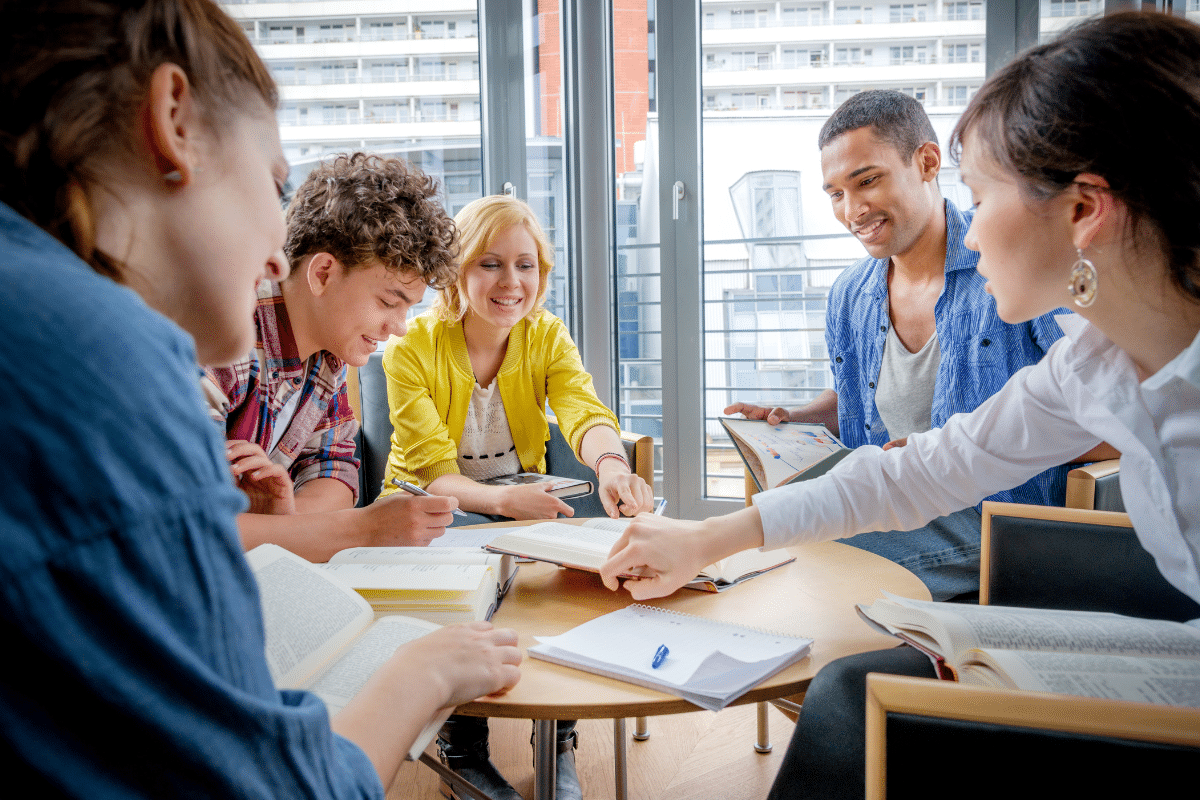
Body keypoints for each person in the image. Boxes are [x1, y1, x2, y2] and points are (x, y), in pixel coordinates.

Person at [602, 10, 1200, 800]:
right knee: (854, 690)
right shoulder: (1091, 368)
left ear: (1085, 209)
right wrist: (708, 537)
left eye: (982, 196)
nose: (973, 230)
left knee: (857, 697)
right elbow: (920, 471)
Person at [0, 1, 520, 796]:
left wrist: (278, 520)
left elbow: (337, 466)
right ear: (175, 119)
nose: (275, 255)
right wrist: (421, 675)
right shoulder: (116, 355)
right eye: (274, 182)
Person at [725, 89, 1112, 601]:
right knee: (786, 524)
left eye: (867, 181)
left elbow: (1104, 414)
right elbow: (864, 400)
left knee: (805, 558)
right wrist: (801, 417)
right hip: (896, 496)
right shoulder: (849, 294)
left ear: (927, 163)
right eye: (835, 193)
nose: (852, 210)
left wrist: (950, 450)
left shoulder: (1013, 263)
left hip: (994, 516)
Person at [382, 194, 655, 800]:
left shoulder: (546, 335)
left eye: (526, 265)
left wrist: (611, 465)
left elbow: (582, 409)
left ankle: (556, 740)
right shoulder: (410, 347)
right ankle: (464, 748)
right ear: (457, 270)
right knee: (465, 602)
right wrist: (505, 506)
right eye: (490, 264)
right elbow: (431, 473)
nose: (512, 282)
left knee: (571, 591)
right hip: (434, 512)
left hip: (514, 498)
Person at [202, 151, 461, 563]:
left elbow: (334, 471)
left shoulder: (329, 353)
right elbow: (191, 531)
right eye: (388, 301)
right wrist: (364, 529)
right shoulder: (220, 338)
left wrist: (289, 523)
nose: (400, 327)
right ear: (322, 273)